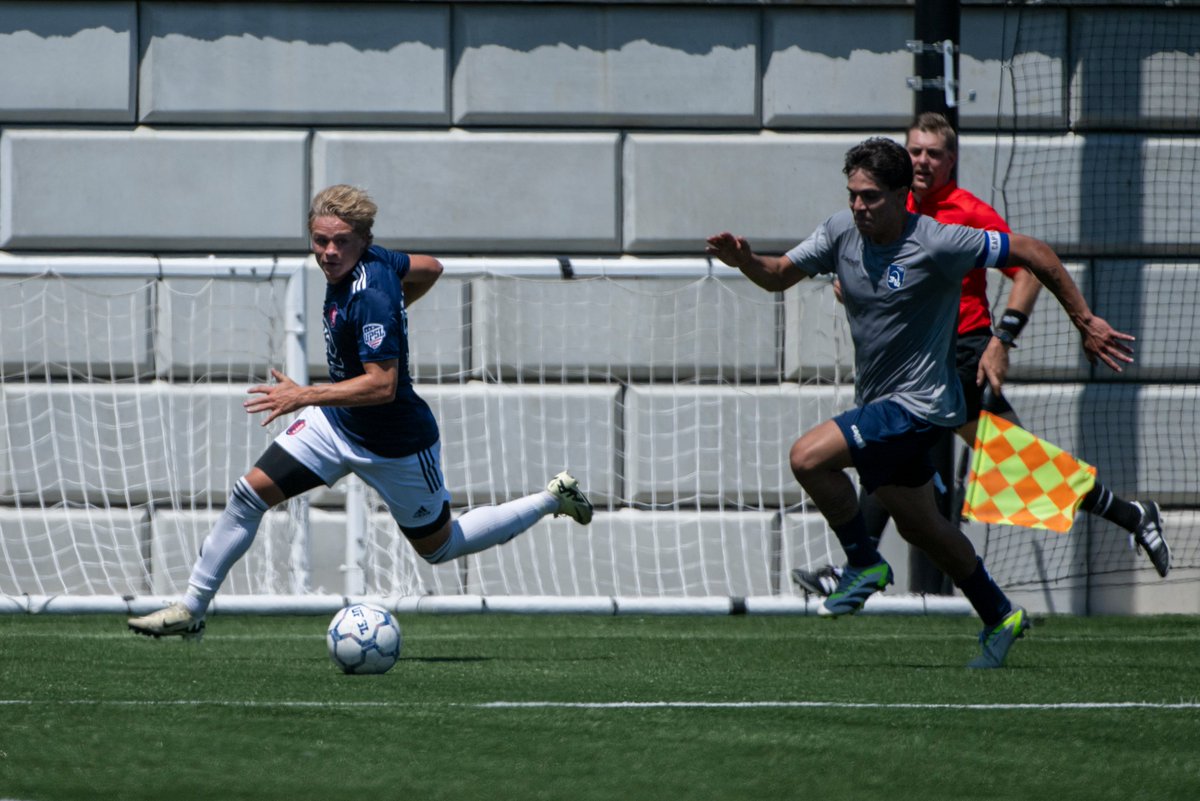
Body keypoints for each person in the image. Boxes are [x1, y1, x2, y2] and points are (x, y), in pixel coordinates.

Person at [706, 137, 1134, 668]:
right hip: (881, 402)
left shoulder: (939, 241)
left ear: (902, 195)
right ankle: (1000, 613)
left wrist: (1084, 320)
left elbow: (1034, 253)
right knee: (922, 528)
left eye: (871, 197)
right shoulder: (840, 232)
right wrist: (743, 260)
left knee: (806, 457)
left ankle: (862, 563)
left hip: (922, 404)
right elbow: (776, 276)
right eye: (853, 195)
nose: (859, 206)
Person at [129, 185, 593, 640]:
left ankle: (552, 498)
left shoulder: (370, 296)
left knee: (441, 547)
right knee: (248, 496)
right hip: (336, 425)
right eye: (320, 240)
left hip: (396, 444)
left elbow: (382, 386)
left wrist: (302, 395)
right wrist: (400, 307)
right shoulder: (377, 264)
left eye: (341, 242)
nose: (328, 252)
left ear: (363, 241)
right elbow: (431, 267)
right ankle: (191, 608)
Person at [791, 113, 1169, 599]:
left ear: (951, 160)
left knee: (1003, 462)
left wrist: (1002, 340)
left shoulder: (965, 210)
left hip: (961, 353)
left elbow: (1028, 267)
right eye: (915, 151)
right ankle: (1130, 514)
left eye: (933, 153)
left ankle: (858, 566)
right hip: (914, 359)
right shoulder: (885, 210)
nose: (922, 161)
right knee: (998, 461)